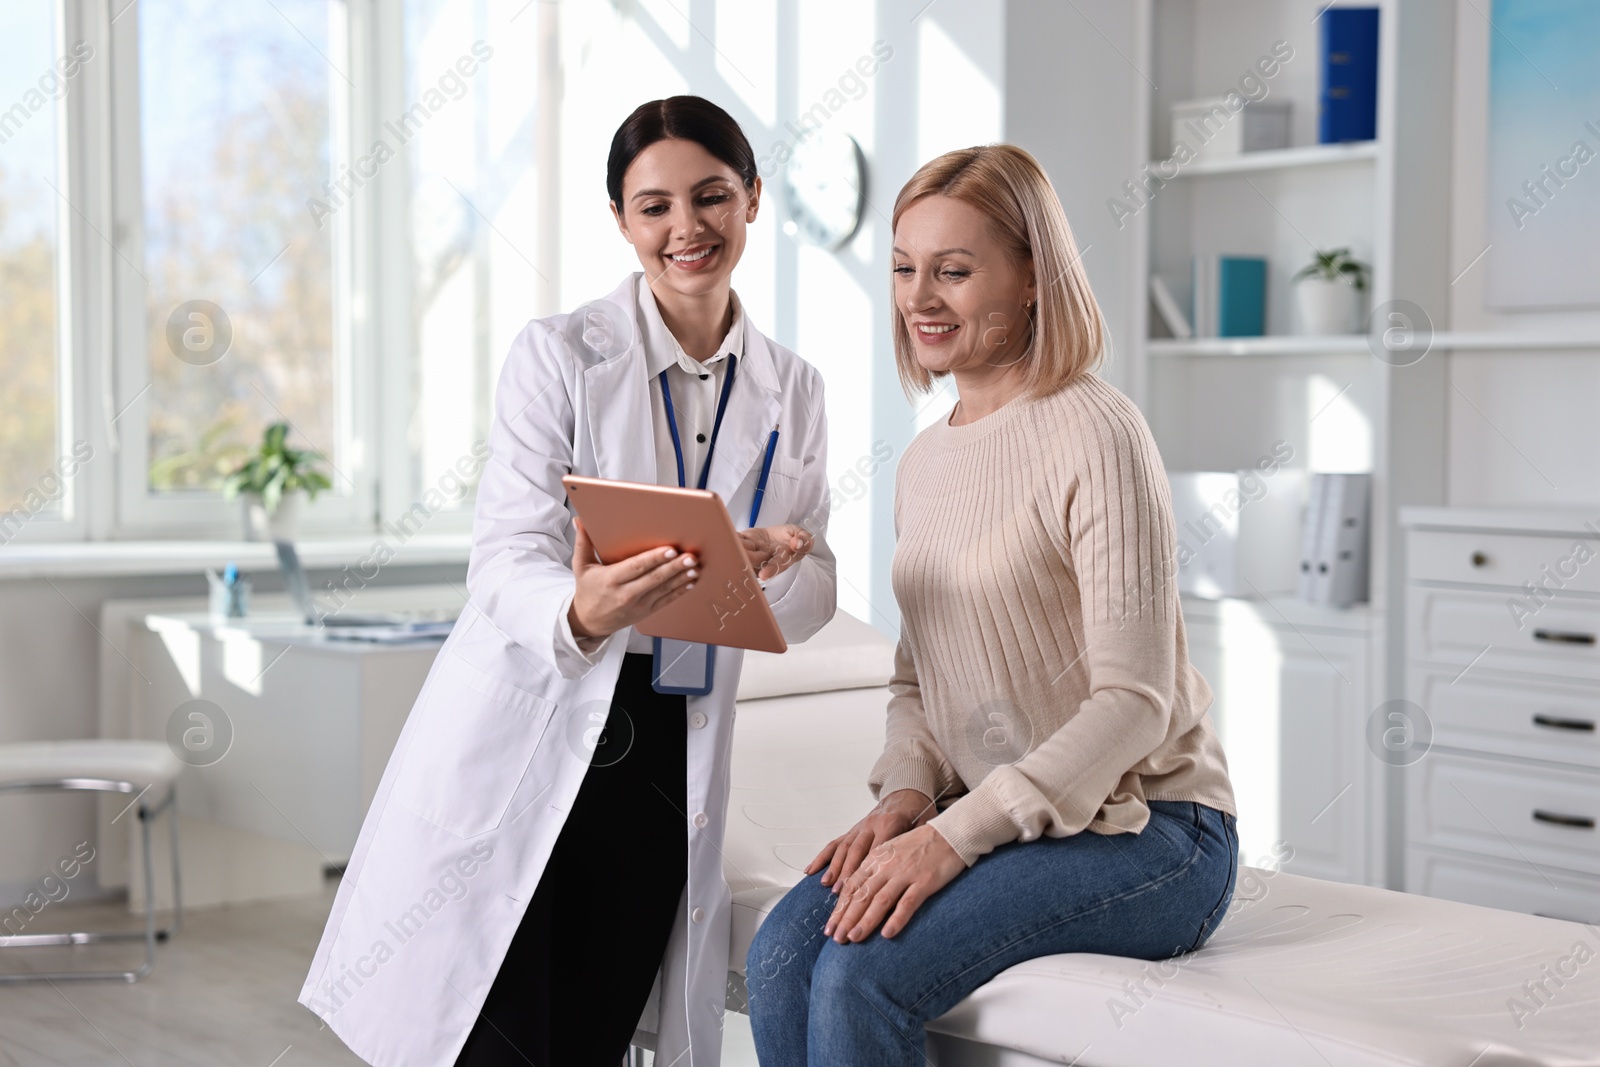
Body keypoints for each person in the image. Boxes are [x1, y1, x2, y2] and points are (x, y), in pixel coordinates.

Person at [300, 95, 836, 1067]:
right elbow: (504, 554)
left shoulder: (794, 387)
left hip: (668, 742)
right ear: (621, 221)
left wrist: (771, 569)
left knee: (593, 1022)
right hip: (547, 713)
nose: (686, 229)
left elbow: (813, 594)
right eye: (654, 206)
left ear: (752, 198)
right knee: (494, 1028)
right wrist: (578, 610)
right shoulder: (560, 355)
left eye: (711, 196)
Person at [744, 144, 1239, 1066]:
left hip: (1154, 831)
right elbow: (916, 683)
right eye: (904, 268)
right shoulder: (926, 461)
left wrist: (955, 837)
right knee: (779, 959)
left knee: (862, 973)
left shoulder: (1098, 430)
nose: (920, 296)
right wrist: (904, 798)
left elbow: (1137, 701)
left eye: (955, 271)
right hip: (1003, 810)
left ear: (1034, 278)